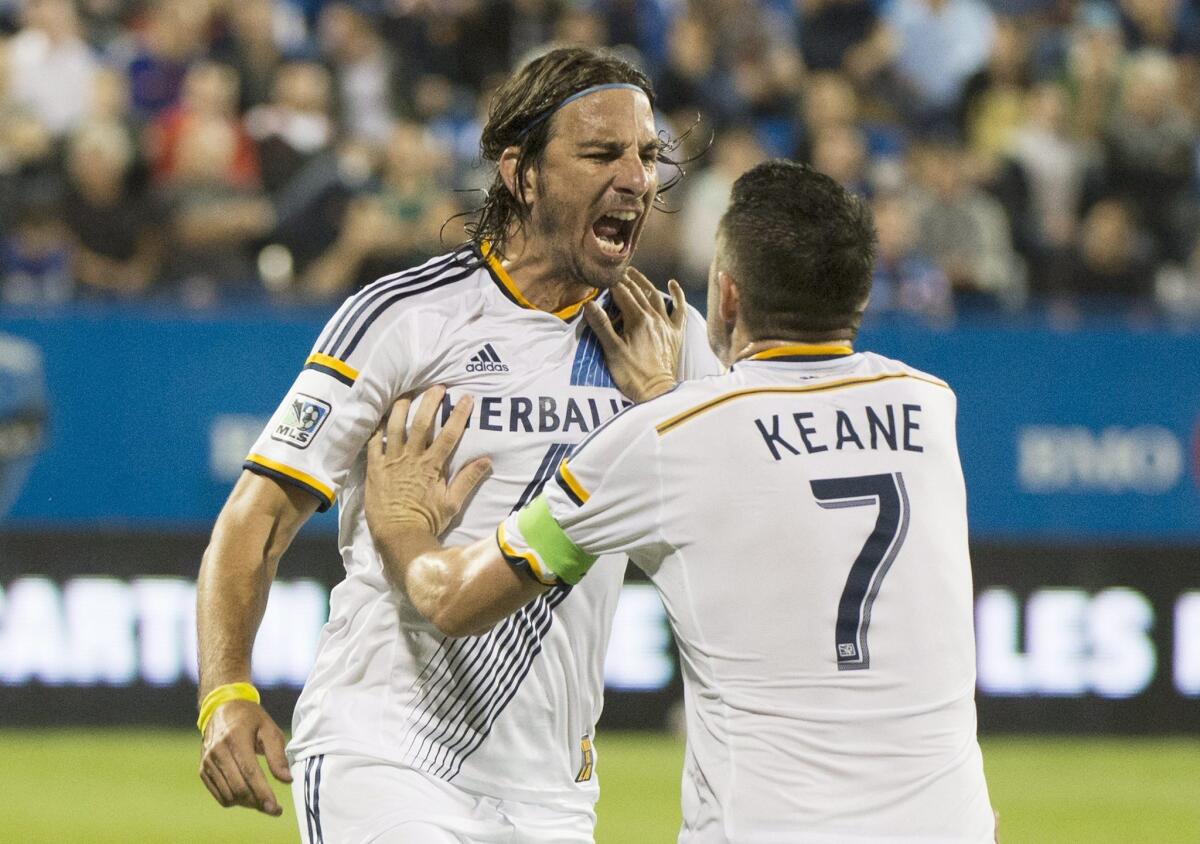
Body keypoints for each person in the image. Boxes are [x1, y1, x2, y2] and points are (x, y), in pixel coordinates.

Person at [364, 160, 996, 842]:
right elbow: (777, 489)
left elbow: (454, 600)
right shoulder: (929, 407)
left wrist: (402, 521)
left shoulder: (665, 440)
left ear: (725, 296)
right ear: (862, 296)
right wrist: (670, 397)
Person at [194, 46, 720, 841]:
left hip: (552, 795)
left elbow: (731, 535)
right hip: (385, 755)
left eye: (647, 156)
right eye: (602, 153)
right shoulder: (407, 317)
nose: (637, 179)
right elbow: (258, 515)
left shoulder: (665, 341)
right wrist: (226, 691)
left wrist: (662, 408)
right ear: (522, 174)